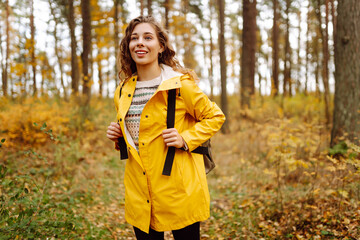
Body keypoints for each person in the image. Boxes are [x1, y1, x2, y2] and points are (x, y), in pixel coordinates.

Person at [106, 15, 225, 240]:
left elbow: (215, 116)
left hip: (179, 189)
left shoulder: (181, 85)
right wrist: (119, 137)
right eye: (134, 38)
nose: (139, 42)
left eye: (147, 37)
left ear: (161, 46)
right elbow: (138, 138)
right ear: (128, 46)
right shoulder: (122, 90)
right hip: (140, 191)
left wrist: (185, 138)